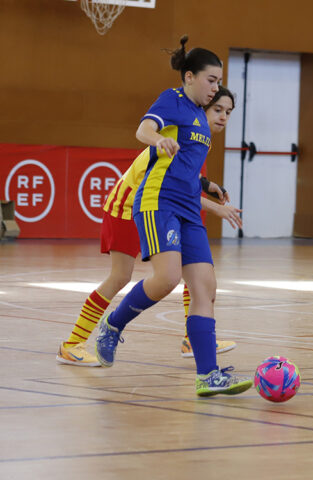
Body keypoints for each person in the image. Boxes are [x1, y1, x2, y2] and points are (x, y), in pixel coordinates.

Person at [94, 36, 252, 397]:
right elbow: (143, 129)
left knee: (205, 288)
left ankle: (208, 374)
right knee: (165, 279)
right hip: (158, 202)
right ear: (190, 76)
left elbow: (184, 165)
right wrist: (157, 140)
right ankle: (113, 325)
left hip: (188, 209)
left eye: (218, 81)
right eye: (211, 80)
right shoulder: (173, 100)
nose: (215, 88)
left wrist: (206, 184)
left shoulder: (200, 114)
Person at [56, 86, 241, 367]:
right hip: (128, 207)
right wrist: (217, 207)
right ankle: (72, 344)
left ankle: (192, 338)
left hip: (155, 208)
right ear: (198, 111)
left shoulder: (197, 142)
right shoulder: (178, 133)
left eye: (228, 112)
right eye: (217, 109)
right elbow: (174, 186)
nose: (223, 117)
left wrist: (207, 184)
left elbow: (189, 183)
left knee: (192, 268)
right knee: (120, 277)